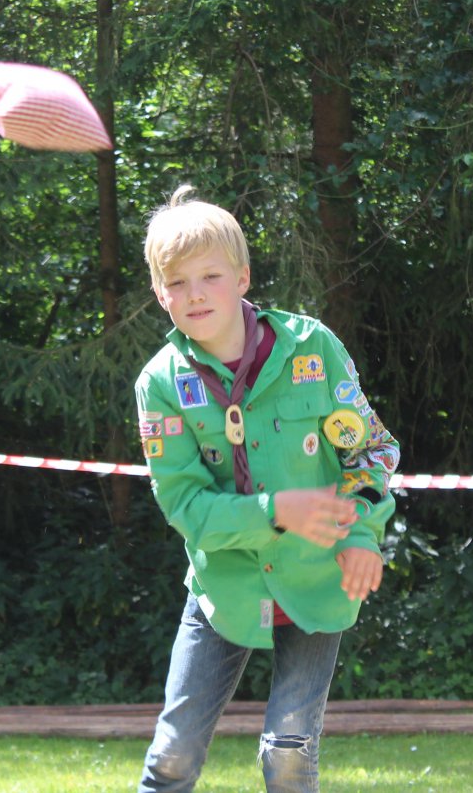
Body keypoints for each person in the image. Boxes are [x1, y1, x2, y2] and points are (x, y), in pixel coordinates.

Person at [135, 184, 401, 793]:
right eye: (177, 283)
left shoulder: (314, 350)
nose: (195, 294)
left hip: (317, 580)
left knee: (287, 754)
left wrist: (362, 532)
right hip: (222, 589)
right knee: (171, 756)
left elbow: (370, 451)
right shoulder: (161, 385)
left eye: (211, 276)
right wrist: (276, 510)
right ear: (159, 294)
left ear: (244, 277)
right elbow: (185, 507)